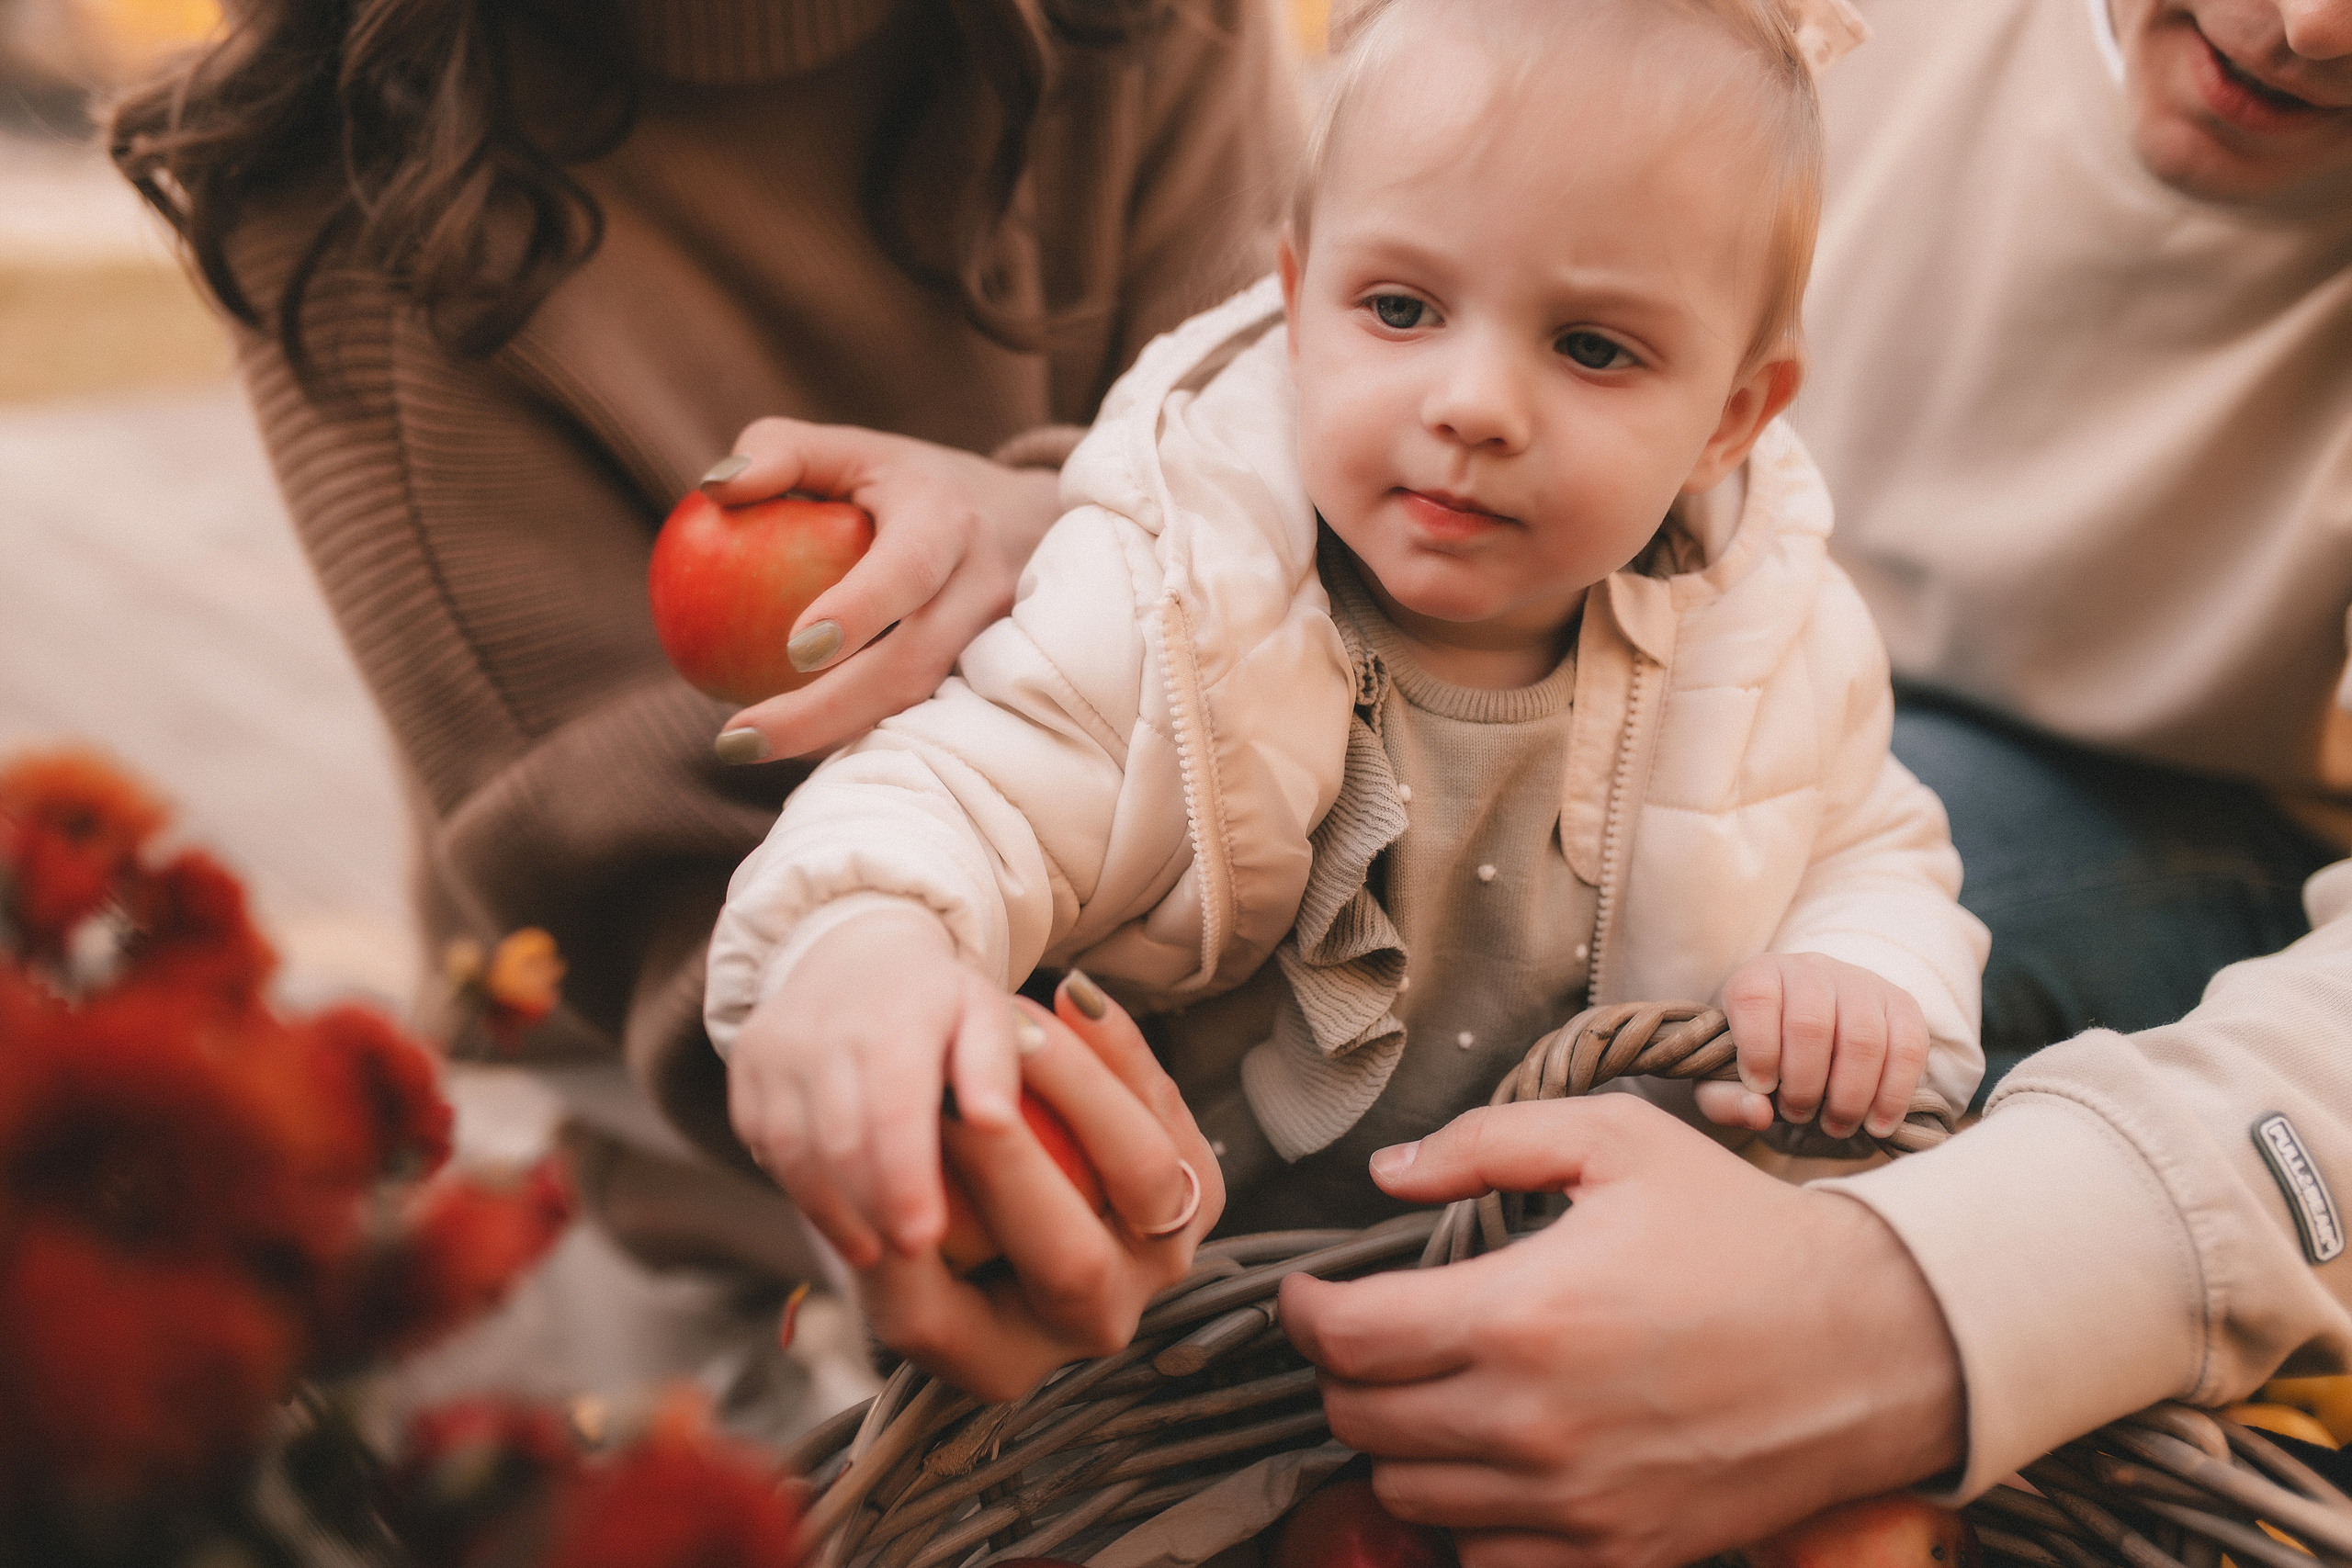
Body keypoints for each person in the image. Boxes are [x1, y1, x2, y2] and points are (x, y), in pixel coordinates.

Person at [706, 0, 1988, 1399]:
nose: (1476, 402)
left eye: (1594, 349)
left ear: (1733, 417)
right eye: (1400, 309)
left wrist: (1865, 976)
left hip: (1581, 1333)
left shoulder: (1772, 633)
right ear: (1301, 302)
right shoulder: (1179, 596)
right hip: (1177, 1340)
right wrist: (861, 948)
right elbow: (967, 791)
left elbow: (1867, 840)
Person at [1278, 0, 2352, 1561]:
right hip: (1639, 661)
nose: (2312, 23)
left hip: (2160, 819)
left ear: (1740, 414)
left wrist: (1906, 1305)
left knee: (1762, 960)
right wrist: (1049, 519)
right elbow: (1340, 295)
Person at [107, 0, 1295, 1268]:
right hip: (703, 1157)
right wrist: (932, 1128)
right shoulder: (341, 173)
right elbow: (660, 879)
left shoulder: (1157, 28)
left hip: (1276, 1016)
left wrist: (1058, 523)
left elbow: (1326, 495)